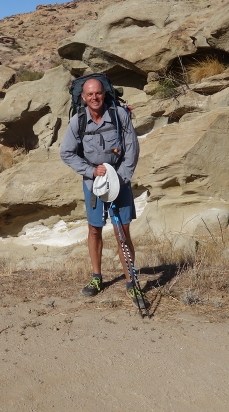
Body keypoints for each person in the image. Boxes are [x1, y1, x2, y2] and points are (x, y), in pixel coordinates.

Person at [59, 77, 147, 308]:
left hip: (120, 180)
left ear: (104, 94)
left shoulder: (120, 115)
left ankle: (131, 282)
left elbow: (132, 149)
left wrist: (121, 178)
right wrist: (90, 170)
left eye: (98, 93)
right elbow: (67, 153)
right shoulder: (77, 122)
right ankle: (97, 278)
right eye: (90, 95)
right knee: (94, 229)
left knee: (123, 231)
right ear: (83, 97)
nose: (94, 98)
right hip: (94, 185)